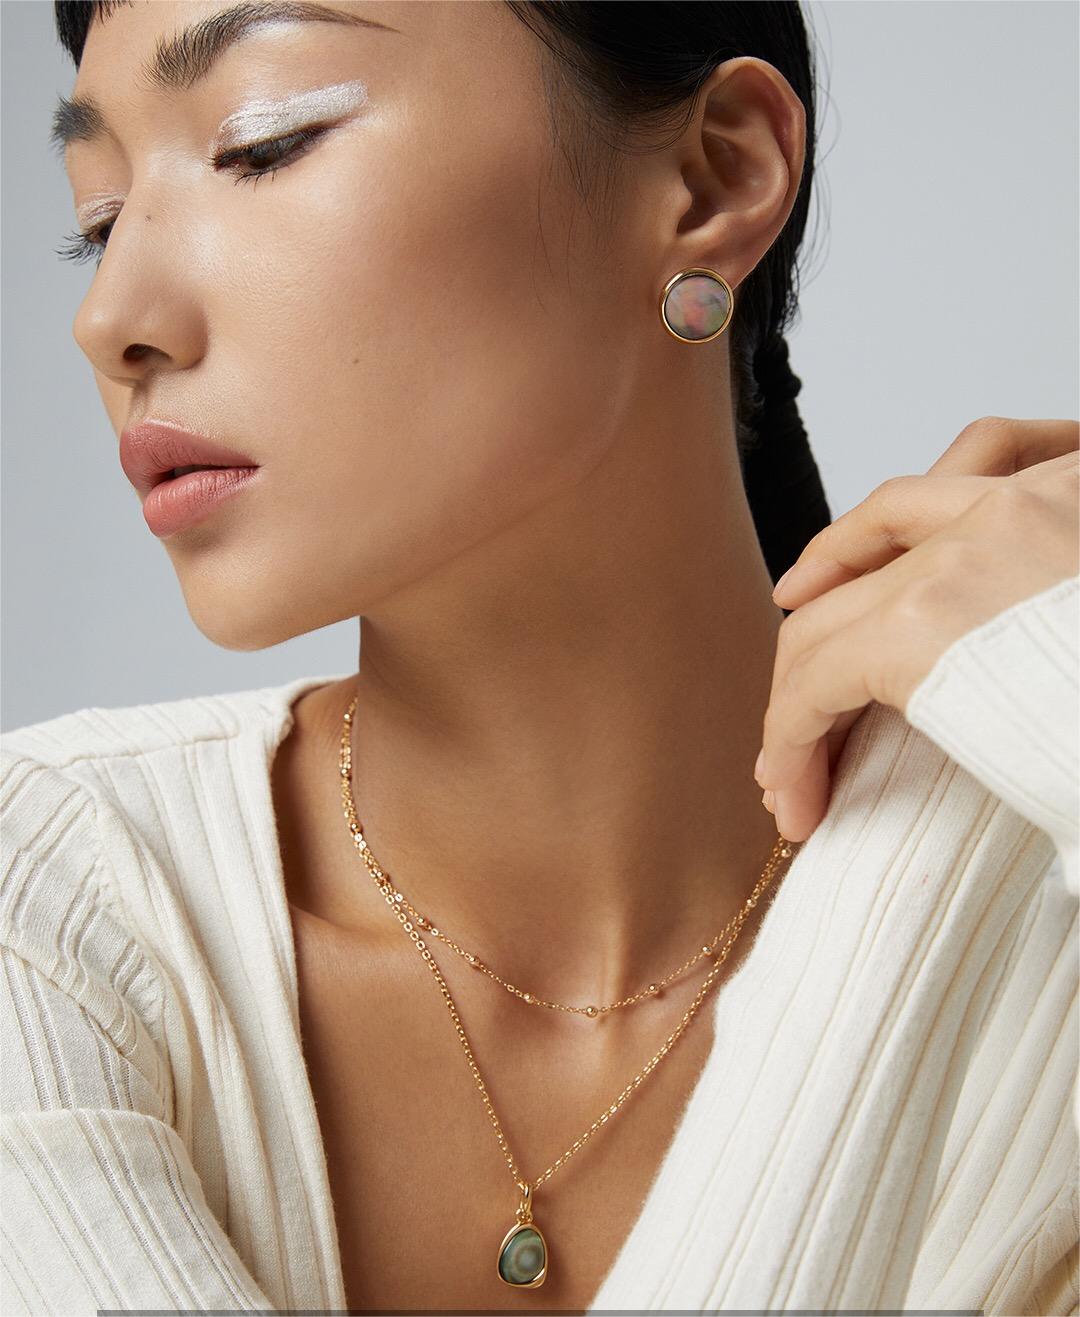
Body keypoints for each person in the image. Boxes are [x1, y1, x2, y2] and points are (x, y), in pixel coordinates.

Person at [2, 1, 1076, 1313]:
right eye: (102, 216)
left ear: (715, 177)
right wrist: (928, 859)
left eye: (261, 144)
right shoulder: (46, 908)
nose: (110, 316)